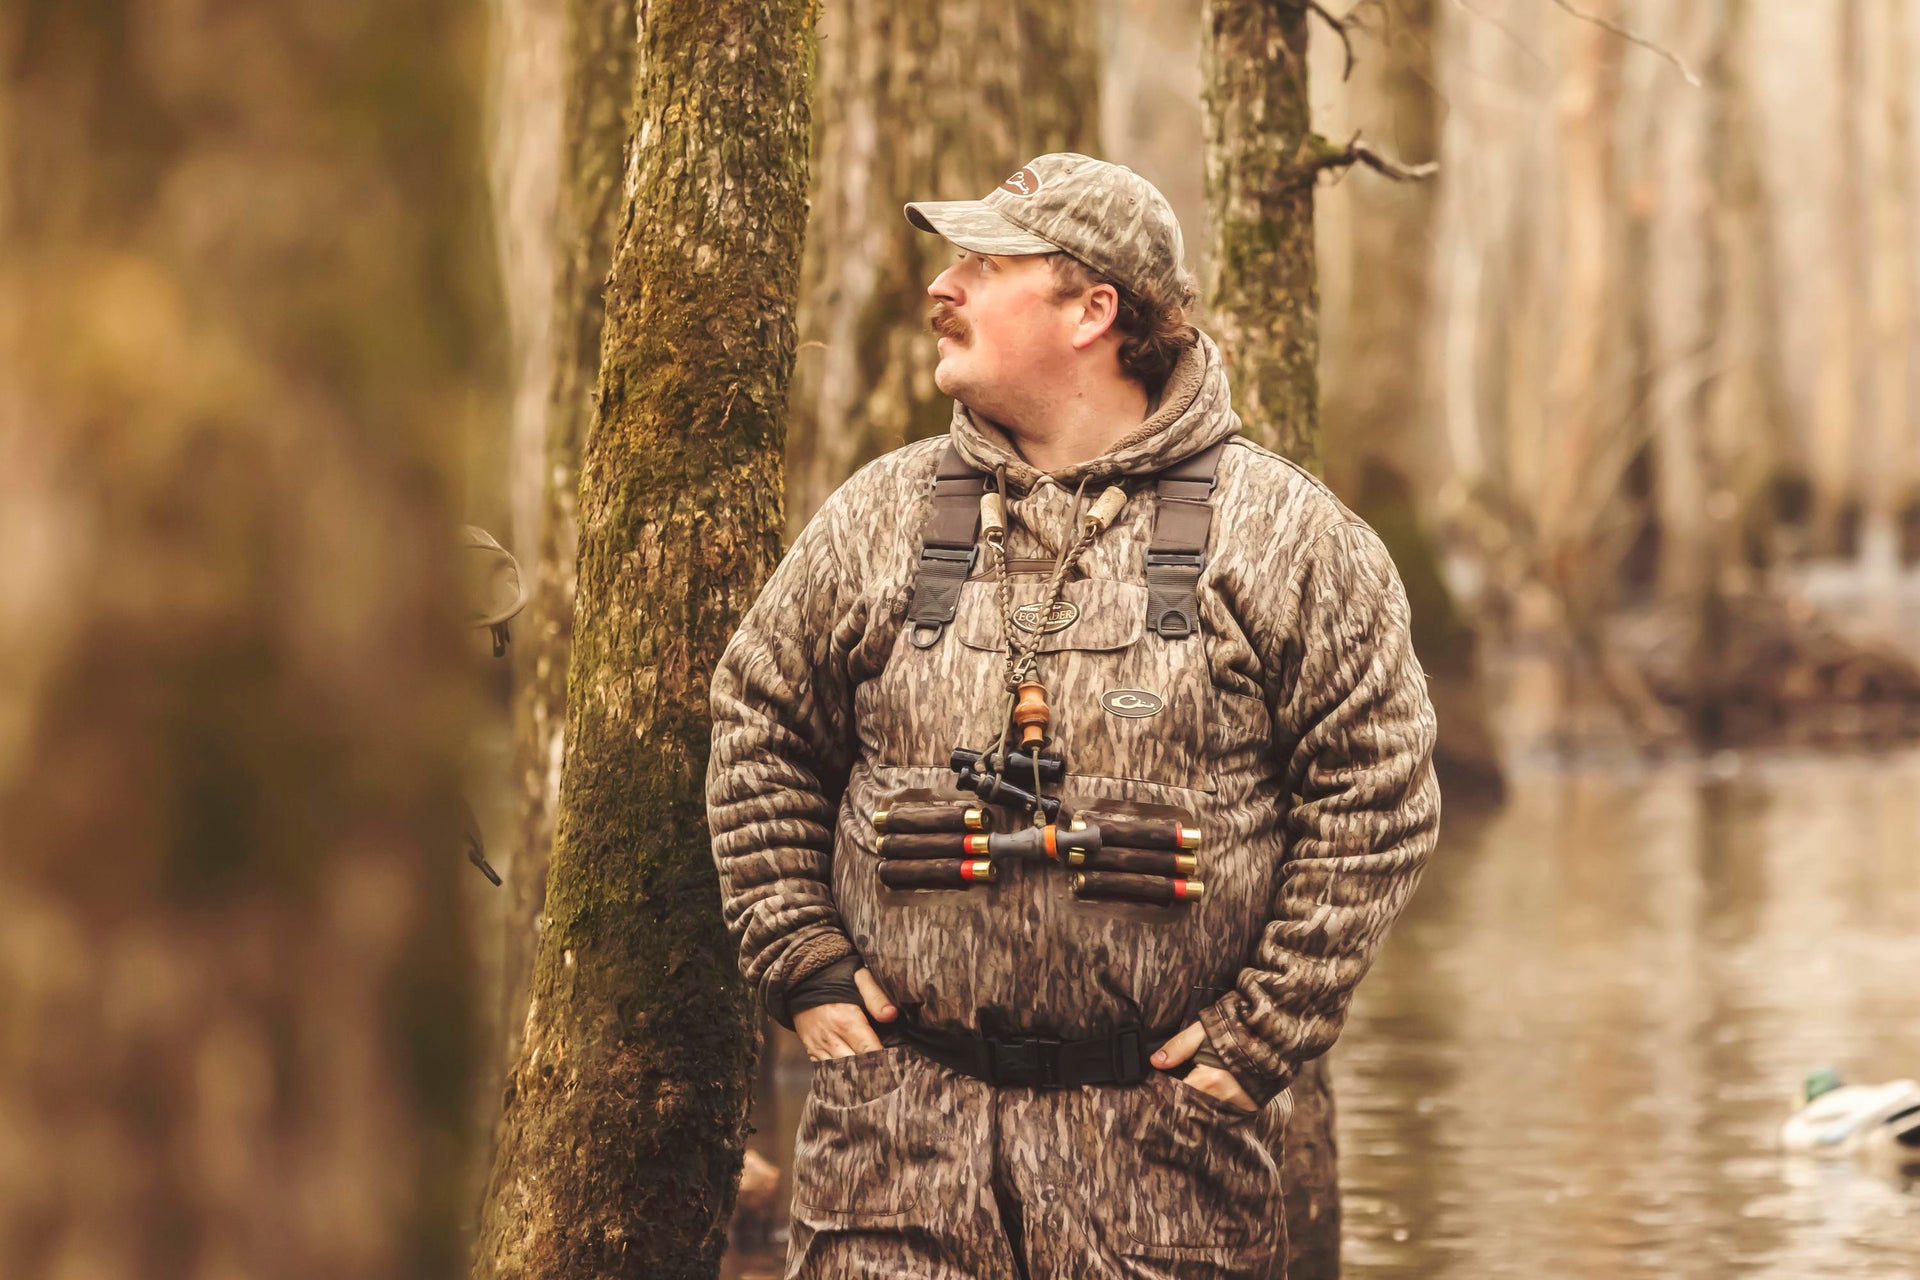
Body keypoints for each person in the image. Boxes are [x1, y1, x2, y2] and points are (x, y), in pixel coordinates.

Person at [706, 151, 1440, 1280]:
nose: (941, 286)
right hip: (892, 1159)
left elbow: (1378, 798)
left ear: (1094, 310)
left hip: (1165, 1170)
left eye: (986, 264)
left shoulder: (1290, 538)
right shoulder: (877, 517)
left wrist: (1262, 1032)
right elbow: (758, 728)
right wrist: (799, 956)